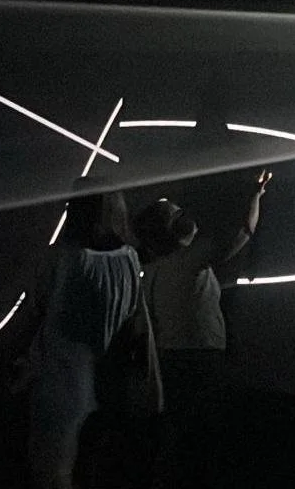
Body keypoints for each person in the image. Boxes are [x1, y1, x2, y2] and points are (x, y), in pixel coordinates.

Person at [135, 169, 270, 488]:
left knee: (176, 435)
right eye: (175, 212)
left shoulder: (153, 271)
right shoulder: (191, 258)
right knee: (203, 438)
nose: (182, 212)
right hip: (201, 360)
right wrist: (255, 195)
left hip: (171, 359)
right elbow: (243, 233)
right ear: (171, 229)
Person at [27, 186, 160, 489]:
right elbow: (135, 324)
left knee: (53, 470)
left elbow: (32, 315)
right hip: (105, 385)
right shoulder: (129, 261)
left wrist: (11, 362)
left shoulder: (60, 258)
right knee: (93, 469)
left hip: (59, 386)